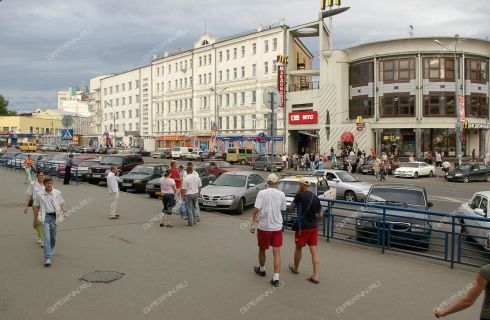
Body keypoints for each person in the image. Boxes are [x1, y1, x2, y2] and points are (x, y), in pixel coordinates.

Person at [250, 174, 287, 287]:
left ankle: (262, 269)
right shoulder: (281, 194)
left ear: (267, 182)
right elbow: (283, 209)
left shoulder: (262, 193)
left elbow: (256, 210)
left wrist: (252, 224)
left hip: (264, 227)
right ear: (277, 183)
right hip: (277, 227)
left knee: (262, 249)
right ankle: (276, 278)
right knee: (276, 251)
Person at [287, 179, 323, 284]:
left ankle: (296, 268)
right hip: (314, 227)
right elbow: (320, 215)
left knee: (298, 248)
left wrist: (290, 207)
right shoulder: (315, 198)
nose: (299, 186)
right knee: (314, 251)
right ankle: (316, 275)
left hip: (302, 228)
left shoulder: (299, 195)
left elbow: (292, 208)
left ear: (302, 185)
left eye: (299, 184)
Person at [33, 177, 67, 266]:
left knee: (53, 237)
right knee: (46, 238)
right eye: (47, 183)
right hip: (45, 217)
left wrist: (63, 210)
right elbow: (36, 206)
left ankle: (52, 247)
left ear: (52, 184)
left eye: (50, 183)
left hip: (54, 217)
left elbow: (62, 203)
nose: (49, 185)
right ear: (44, 184)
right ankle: (48, 258)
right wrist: (35, 218)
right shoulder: (39, 194)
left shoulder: (57, 193)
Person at [24, 170, 45, 246]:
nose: (41, 176)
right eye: (39, 175)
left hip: (45, 205)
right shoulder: (33, 184)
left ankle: (41, 236)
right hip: (35, 204)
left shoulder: (47, 183)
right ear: (37, 176)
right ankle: (42, 238)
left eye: (42, 175)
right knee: (38, 220)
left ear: (44, 176)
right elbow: (29, 195)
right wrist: (26, 206)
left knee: (43, 220)